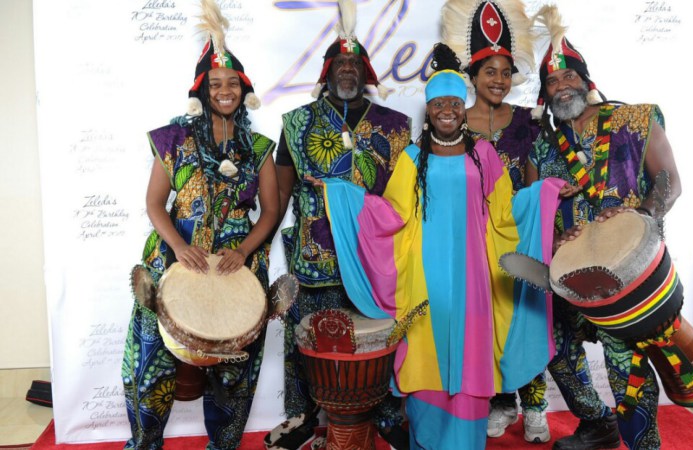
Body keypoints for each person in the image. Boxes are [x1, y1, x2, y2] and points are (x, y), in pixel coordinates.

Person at [313, 43, 568, 450]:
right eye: (437, 103)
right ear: (428, 110)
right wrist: (342, 195)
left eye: (454, 102)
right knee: (425, 361)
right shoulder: (412, 159)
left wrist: (544, 193)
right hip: (423, 282)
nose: (446, 109)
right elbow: (391, 215)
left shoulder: (485, 156)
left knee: (470, 362)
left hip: (474, 283)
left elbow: (507, 213)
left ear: (463, 107)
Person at [120, 1, 280, 448]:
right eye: (215, 83)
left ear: (244, 89)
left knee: (235, 371)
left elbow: (269, 210)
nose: (224, 90)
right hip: (174, 258)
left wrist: (245, 251)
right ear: (201, 89)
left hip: (235, 265)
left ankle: (223, 444)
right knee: (150, 365)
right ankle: (144, 443)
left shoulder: (260, 147)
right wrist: (176, 246)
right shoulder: (174, 139)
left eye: (233, 83)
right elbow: (154, 203)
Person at [526, 6, 682, 450]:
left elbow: (670, 182)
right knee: (550, 346)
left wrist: (642, 216)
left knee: (624, 364)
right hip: (571, 275)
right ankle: (597, 423)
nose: (561, 86)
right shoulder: (543, 146)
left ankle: (643, 443)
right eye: (552, 82)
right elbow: (536, 207)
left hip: (626, 275)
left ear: (586, 80)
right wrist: (555, 239)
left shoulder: (635, 119)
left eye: (569, 77)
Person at [265, 1, 412, 448]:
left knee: (379, 335)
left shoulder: (395, 126)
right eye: (340, 63)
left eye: (355, 63)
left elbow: (402, 194)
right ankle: (302, 416)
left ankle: (387, 415)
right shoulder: (297, 122)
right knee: (306, 336)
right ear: (327, 71)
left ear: (366, 72)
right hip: (316, 253)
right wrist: (260, 249)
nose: (347, 70)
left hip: (374, 254)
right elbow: (282, 192)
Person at [442, 0, 550, 441]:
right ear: (473, 75)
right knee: (485, 322)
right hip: (469, 243)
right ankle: (500, 402)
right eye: (490, 72)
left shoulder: (528, 122)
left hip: (517, 241)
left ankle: (536, 407)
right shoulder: (450, 121)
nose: (499, 81)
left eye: (506, 73)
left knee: (524, 316)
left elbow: (533, 185)